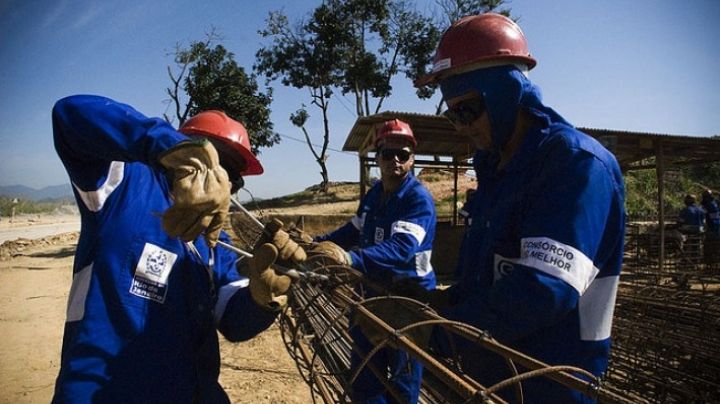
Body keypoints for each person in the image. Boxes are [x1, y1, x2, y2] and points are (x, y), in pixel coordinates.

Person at [408, 13, 626, 403]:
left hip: (553, 385)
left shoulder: (575, 165)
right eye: (451, 113)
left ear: (505, 91)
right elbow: (486, 278)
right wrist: (442, 303)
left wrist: (436, 331)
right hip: (491, 377)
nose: (460, 127)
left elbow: (545, 289)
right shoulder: (497, 170)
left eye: (467, 110)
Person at [51, 94, 305, 403]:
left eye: (232, 178)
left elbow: (231, 320)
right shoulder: (121, 184)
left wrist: (260, 299)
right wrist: (161, 142)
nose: (220, 182)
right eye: (215, 162)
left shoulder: (214, 246)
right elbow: (69, 115)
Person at [313, 119, 437, 403]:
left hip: (409, 300)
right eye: (387, 153)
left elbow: (402, 248)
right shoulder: (374, 195)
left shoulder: (417, 199)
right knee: (366, 370)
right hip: (372, 293)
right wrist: (317, 243)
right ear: (377, 157)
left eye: (402, 154)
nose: (395, 160)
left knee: (403, 381)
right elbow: (353, 230)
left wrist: (349, 257)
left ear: (412, 159)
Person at [700, 189, 720, 264]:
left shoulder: (710, 205)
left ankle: (710, 260)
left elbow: (713, 218)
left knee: (709, 245)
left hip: (714, 229)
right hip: (714, 228)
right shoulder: (713, 204)